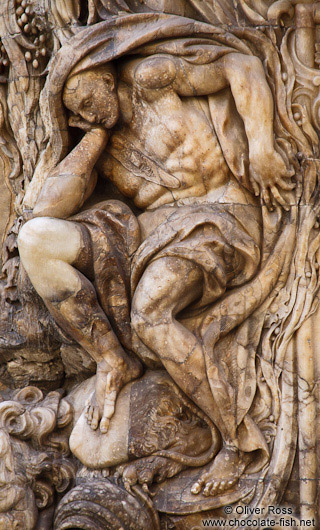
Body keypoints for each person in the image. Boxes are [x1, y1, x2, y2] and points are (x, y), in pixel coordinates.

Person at [18, 50, 293, 495]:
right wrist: (91, 138)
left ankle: (235, 442)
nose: (82, 113)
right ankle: (112, 360)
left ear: (105, 77)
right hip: (143, 238)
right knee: (36, 241)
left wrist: (261, 147)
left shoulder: (151, 78)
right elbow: (45, 209)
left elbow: (240, 66)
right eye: (72, 111)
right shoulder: (102, 152)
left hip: (218, 219)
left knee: (149, 314)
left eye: (85, 99)